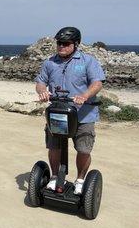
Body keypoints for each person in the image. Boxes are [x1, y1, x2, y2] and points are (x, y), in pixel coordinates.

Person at [36, 27, 106, 195]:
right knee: (54, 147)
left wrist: (85, 95)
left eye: (66, 43)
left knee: (83, 149)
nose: (61, 46)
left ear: (75, 44)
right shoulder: (50, 62)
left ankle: (80, 180)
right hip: (58, 112)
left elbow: (97, 82)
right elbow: (40, 82)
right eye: (59, 43)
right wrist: (42, 91)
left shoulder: (87, 61)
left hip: (83, 115)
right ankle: (54, 177)